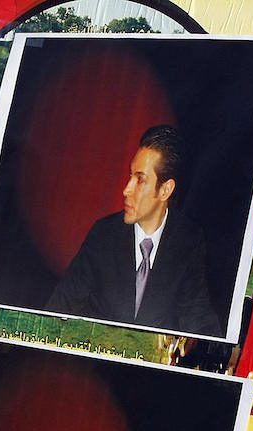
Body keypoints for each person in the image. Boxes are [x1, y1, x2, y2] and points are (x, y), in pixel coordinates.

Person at [45, 125, 220, 337]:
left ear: (165, 190)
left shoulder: (188, 240)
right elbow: (58, 309)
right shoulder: (103, 235)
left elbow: (198, 317)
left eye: (140, 180)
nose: (126, 189)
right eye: (130, 176)